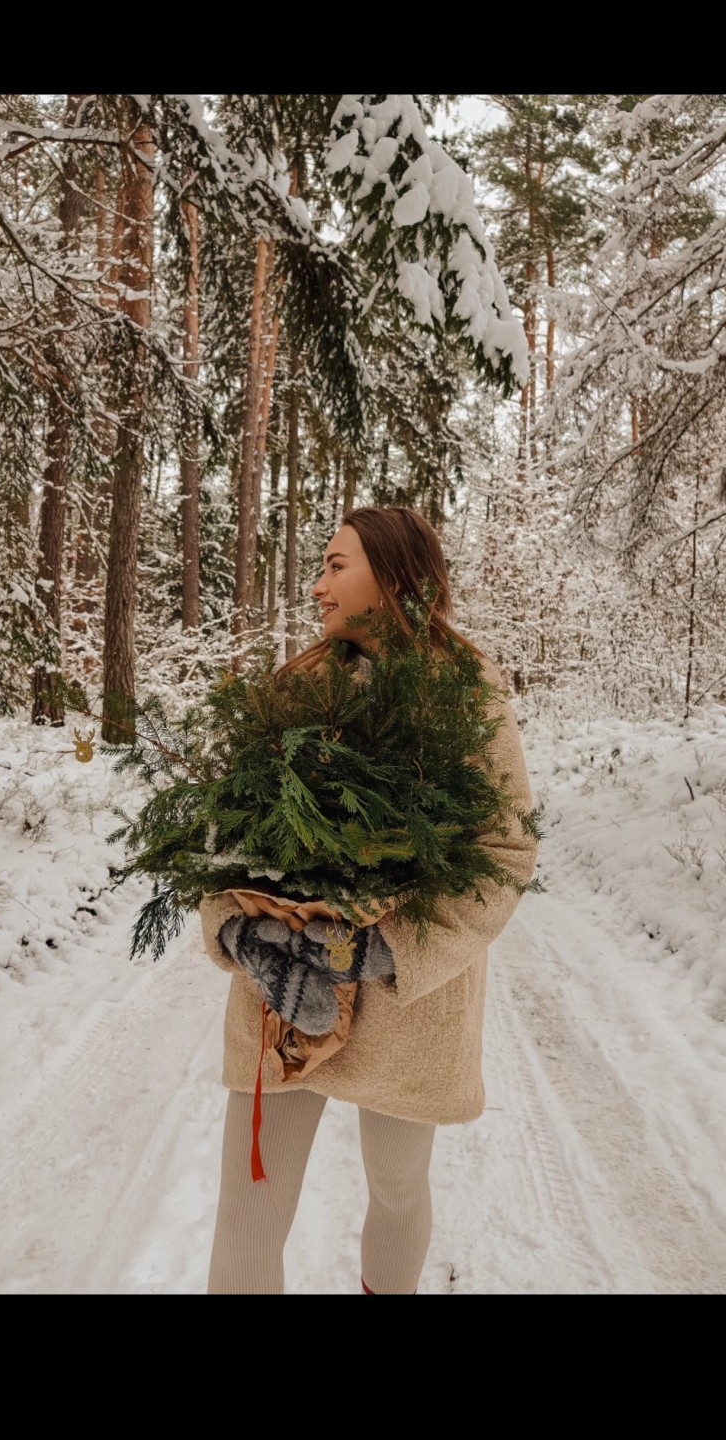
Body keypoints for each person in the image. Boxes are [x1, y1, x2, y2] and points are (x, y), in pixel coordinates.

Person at [200, 505, 538, 1294]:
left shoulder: (464, 692)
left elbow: (505, 848)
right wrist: (240, 934)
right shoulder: (293, 685)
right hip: (281, 995)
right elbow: (222, 837)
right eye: (320, 566)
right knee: (246, 1204)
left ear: (390, 577)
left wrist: (385, 949)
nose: (316, 586)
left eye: (334, 564)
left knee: (395, 1186)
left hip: (403, 1009)